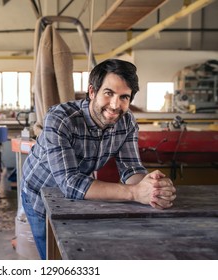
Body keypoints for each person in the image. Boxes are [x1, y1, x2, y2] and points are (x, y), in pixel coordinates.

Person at [20, 59, 176, 260]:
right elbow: (70, 183)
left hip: (75, 192)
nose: (115, 105)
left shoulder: (126, 122)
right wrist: (135, 193)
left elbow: (131, 168)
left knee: (75, 251)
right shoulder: (60, 119)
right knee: (52, 253)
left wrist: (153, 189)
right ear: (92, 92)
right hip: (39, 192)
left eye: (124, 97)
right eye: (109, 93)